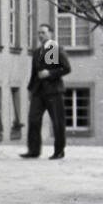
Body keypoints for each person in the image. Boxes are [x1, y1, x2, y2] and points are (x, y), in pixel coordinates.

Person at [21, 22, 72, 160]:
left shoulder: (54, 48)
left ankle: (59, 151)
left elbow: (66, 68)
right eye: (39, 33)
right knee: (33, 120)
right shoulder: (37, 52)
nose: (40, 35)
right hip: (38, 91)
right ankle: (33, 150)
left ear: (51, 34)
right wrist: (30, 90)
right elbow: (34, 73)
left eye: (43, 32)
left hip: (53, 91)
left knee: (57, 122)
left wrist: (49, 73)